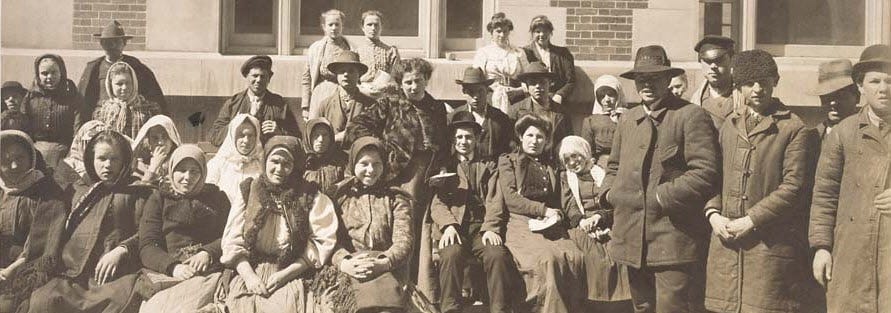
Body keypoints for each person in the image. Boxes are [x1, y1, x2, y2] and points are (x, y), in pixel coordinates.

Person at [604, 45, 720, 313]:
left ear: (668, 80)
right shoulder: (628, 119)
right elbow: (613, 166)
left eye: (654, 78)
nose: (647, 84)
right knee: (642, 307)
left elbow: (705, 172)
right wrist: (609, 193)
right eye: (641, 79)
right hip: (632, 238)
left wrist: (660, 196)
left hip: (673, 238)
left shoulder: (690, 116)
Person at [703, 50, 820, 313]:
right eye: (749, 83)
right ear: (739, 86)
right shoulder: (728, 126)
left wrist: (752, 219)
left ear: (775, 82)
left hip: (769, 247)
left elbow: (794, 187)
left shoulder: (793, 128)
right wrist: (713, 215)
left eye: (764, 82)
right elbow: (713, 176)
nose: (757, 89)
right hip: (726, 244)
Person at [27, 130, 150, 313]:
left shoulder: (137, 193)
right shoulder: (79, 190)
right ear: (91, 160)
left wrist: (122, 249)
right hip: (74, 272)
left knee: (119, 303)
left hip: (114, 274)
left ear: (125, 160)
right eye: (101, 158)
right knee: (43, 301)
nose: (108, 165)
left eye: (114, 159)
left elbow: (149, 233)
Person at [810, 44, 891, 312]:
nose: (883, 88)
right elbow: (824, 195)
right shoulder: (844, 133)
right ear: (860, 86)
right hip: (852, 255)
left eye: (890, 81)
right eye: (875, 81)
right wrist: (821, 247)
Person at [219, 135, 338, 313]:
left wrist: (285, 275)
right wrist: (250, 277)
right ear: (265, 160)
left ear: (295, 167)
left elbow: (320, 242)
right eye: (274, 161)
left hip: (290, 270)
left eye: (286, 164)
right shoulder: (249, 190)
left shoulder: (309, 195)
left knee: (285, 307)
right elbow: (232, 241)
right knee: (241, 306)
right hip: (249, 266)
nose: (279, 169)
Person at [499, 115, 586, 313]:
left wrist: (574, 218)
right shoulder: (508, 161)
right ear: (521, 137)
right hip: (521, 224)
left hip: (551, 223)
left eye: (540, 137)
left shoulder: (551, 165)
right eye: (529, 135)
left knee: (574, 256)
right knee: (547, 259)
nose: (534, 140)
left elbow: (563, 197)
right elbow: (512, 199)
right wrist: (543, 210)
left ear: (546, 141)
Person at [431, 112, 514, 313]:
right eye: (459, 137)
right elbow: (437, 202)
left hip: (481, 226)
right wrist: (449, 226)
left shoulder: (488, 166)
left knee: (497, 254)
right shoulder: (444, 166)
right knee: (451, 253)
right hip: (455, 226)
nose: (464, 141)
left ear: (476, 139)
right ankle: (450, 308)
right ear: (453, 139)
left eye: (468, 137)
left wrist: (491, 228)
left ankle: (499, 309)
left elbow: (496, 200)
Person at [136, 144, 230, 313]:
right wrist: (173, 267)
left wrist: (208, 252)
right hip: (168, 272)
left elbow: (230, 235)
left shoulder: (217, 198)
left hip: (208, 272)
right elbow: (147, 245)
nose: (187, 177)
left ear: (203, 173)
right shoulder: (158, 199)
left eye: (194, 171)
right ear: (172, 170)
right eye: (181, 170)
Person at [327, 136, 413, 313]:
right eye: (364, 164)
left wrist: (383, 262)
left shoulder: (395, 198)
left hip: (387, 269)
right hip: (350, 269)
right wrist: (345, 262)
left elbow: (404, 241)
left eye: (377, 164)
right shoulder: (340, 197)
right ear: (353, 164)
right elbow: (329, 240)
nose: (370, 170)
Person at [558, 136, 632, 311]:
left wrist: (600, 218)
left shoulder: (602, 172)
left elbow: (613, 200)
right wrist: (583, 222)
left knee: (619, 249)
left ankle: (622, 304)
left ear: (584, 153)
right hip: (581, 224)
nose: (572, 162)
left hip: (606, 219)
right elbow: (569, 204)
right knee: (594, 256)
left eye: (575, 156)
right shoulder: (565, 177)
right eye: (567, 159)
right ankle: (596, 304)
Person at [0, 131, 67, 312]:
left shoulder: (47, 192)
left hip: (26, 271)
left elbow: (43, 245)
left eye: (20, 158)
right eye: (5, 160)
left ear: (31, 157)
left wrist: (11, 270)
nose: (13, 165)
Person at [78, 20, 166, 117]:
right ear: (101, 44)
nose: (112, 46)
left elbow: (156, 101)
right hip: (101, 119)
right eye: (107, 42)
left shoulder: (137, 67)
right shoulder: (93, 68)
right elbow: (81, 104)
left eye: (116, 41)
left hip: (132, 119)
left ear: (124, 43)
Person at [210, 55, 301, 146]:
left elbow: (297, 138)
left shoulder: (280, 105)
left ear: (269, 79)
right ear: (247, 77)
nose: (258, 80)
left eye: (263, 76)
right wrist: (234, 125)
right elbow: (215, 137)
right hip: (239, 157)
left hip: (267, 157)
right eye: (255, 76)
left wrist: (279, 133)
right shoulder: (233, 104)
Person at [21, 54, 87, 168]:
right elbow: (23, 125)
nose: (49, 77)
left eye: (54, 72)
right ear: (38, 75)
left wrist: (72, 155)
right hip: (34, 153)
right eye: (44, 73)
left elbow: (78, 129)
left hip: (65, 153)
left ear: (62, 73)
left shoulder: (72, 97)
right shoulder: (30, 97)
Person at [313, 51, 377, 148]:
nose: (346, 74)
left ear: (359, 75)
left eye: (351, 71)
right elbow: (315, 134)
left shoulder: (370, 105)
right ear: (337, 75)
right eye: (342, 71)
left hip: (360, 156)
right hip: (332, 157)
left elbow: (374, 134)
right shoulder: (325, 105)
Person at [507, 62, 572, 159]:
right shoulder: (516, 110)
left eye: (542, 82)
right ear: (527, 86)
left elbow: (568, 140)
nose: (537, 86)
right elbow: (511, 141)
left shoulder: (561, 111)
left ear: (549, 84)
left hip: (554, 162)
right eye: (533, 83)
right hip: (526, 161)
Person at [452, 67, 514, 160]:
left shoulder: (501, 119)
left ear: (487, 91)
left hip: (493, 170)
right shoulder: (453, 118)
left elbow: (508, 150)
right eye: (471, 92)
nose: (476, 96)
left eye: (480, 91)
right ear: (464, 92)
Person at [473, 12, 529, 113]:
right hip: (490, 95)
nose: (502, 35)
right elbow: (476, 78)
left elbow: (529, 76)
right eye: (498, 31)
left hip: (516, 96)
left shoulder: (518, 52)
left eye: (505, 31)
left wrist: (519, 91)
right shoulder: (483, 52)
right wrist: (492, 89)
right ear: (491, 32)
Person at [92, 61, 164, 138]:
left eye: (128, 83)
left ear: (134, 83)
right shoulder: (103, 112)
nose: (124, 87)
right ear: (110, 85)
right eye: (119, 84)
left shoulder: (150, 109)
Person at [206, 114, 264, 206]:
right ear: (233, 135)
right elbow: (208, 194)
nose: (246, 140)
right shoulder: (218, 163)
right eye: (241, 135)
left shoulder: (262, 165)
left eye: (250, 135)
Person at [303, 10, 352, 119]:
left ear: (342, 25)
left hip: (341, 94)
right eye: (330, 25)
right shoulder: (315, 49)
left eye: (337, 24)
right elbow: (307, 78)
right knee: (317, 127)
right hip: (320, 93)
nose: (334, 28)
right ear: (324, 27)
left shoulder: (350, 48)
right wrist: (305, 106)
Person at [522, 15, 576, 110]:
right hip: (533, 100)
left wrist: (560, 95)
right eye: (537, 32)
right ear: (532, 33)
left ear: (550, 33)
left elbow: (571, 80)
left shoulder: (563, 53)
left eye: (545, 31)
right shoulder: (525, 52)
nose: (542, 35)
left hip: (556, 99)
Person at [580, 75, 626, 169]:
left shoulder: (629, 116)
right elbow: (587, 150)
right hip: (602, 164)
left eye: (611, 94)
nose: (607, 100)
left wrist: (619, 122)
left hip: (625, 162)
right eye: (602, 96)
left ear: (618, 94)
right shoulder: (590, 121)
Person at [54, 120, 109, 198]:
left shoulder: (110, 165)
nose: (94, 149)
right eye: (89, 143)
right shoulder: (66, 167)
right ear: (80, 141)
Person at [691, 35, 736, 128]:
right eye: (707, 61)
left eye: (719, 60)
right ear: (701, 62)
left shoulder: (744, 95)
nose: (713, 66)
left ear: (731, 60)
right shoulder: (696, 101)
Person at [810, 59, 861, 139]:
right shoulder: (812, 137)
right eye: (827, 97)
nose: (833, 103)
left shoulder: (868, 135)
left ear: (857, 97)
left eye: (840, 96)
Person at [356, 10, 401, 98]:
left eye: (376, 25)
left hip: (384, 95)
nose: (373, 28)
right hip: (361, 94)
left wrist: (385, 87)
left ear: (381, 27)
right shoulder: (357, 51)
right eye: (369, 25)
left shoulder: (391, 51)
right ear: (362, 27)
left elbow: (396, 77)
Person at [131, 115, 182, 186]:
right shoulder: (138, 167)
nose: (160, 142)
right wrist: (153, 168)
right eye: (155, 138)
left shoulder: (181, 165)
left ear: (172, 140)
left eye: (165, 137)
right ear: (149, 142)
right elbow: (138, 194)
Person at [303, 118, 346, 198]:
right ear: (308, 137)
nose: (321, 140)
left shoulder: (340, 161)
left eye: (325, 135)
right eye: (316, 135)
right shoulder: (301, 162)